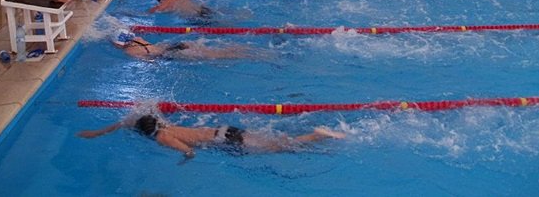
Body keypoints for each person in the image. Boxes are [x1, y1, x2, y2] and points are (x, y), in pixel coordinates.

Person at [78, 113, 345, 159]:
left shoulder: (162, 138)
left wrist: (184, 160)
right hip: (225, 130)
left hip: (225, 141)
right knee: (275, 142)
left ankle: (316, 136)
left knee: (278, 148)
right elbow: (130, 120)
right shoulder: (166, 124)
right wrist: (100, 132)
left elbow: (189, 151)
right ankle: (316, 137)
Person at [112, 32, 248, 60]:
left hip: (169, 53)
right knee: (209, 51)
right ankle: (235, 50)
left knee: (210, 56)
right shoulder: (137, 39)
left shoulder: (129, 52)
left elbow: (149, 61)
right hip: (173, 45)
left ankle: (234, 54)